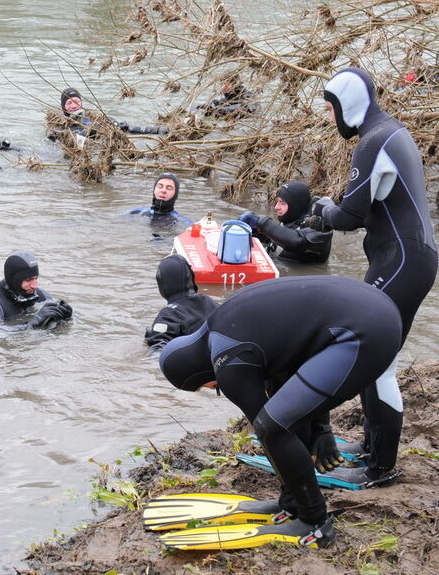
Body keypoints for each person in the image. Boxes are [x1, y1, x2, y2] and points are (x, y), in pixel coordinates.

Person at [159, 276, 404, 547]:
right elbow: (291, 383)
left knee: (272, 428)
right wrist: (322, 430)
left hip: (364, 333)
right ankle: (292, 505)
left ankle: (315, 522)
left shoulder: (228, 360)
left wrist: (311, 438)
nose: (213, 386)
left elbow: (270, 429)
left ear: (193, 374)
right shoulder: (226, 323)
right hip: (378, 310)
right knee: (279, 417)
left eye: (205, 386)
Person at [312, 67, 437, 474]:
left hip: (401, 259)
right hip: (409, 257)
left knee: (375, 357)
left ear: (347, 103)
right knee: (373, 352)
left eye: (331, 108)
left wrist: (323, 209)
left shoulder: (372, 141)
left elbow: (349, 215)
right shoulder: (392, 131)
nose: (331, 118)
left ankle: (380, 467)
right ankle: (371, 446)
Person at [238, 181, 332, 263]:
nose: (276, 207)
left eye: (282, 203)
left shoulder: (318, 230)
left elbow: (295, 241)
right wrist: (253, 230)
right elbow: (275, 240)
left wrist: (261, 223)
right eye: (277, 202)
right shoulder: (291, 221)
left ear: (296, 205)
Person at [0, 251, 72, 329]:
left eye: (36, 278)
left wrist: (65, 317)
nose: (34, 286)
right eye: (28, 280)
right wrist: (32, 324)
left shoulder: (43, 296)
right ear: (14, 280)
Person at [145, 255, 218, 350]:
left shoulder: (169, 314)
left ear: (162, 283)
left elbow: (157, 348)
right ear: (191, 277)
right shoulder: (210, 301)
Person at [50, 88, 168, 142]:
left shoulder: (91, 117)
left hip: (108, 140)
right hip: (91, 148)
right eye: (69, 103)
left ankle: (157, 130)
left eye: (76, 101)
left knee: (123, 127)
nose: (74, 105)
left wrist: (113, 123)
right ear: (63, 107)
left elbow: (121, 126)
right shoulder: (60, 125)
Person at [123, 172, 192, 226]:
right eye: (160, 186)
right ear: (154, 190)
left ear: (175, 194)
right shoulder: (136, 212)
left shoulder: (183, 222)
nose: (163, 190)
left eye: (169, 188)